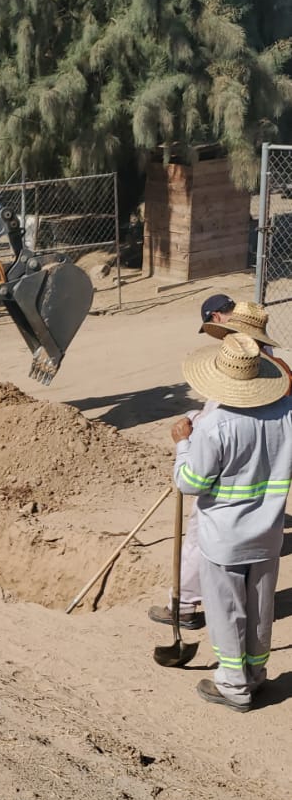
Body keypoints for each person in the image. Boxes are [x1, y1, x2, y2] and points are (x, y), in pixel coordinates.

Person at [172, 332, 292, 711]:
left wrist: (182, 445)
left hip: (223, 538)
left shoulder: (215, 425)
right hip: (268, 534)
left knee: (226, 612)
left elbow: (190, 483)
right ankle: (256, 675)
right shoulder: (286, 415)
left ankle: (233, 685)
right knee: (260, 609)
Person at [147, 294, 236, 631]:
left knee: (200, 534)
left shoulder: (237, 359)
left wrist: (186, 441)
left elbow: (190, 482)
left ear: (216, 317)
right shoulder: (265, 357)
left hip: (220, 467)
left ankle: (183, 606)